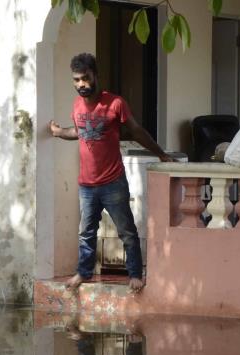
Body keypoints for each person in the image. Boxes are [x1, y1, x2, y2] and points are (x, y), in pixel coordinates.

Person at [49, 53, 173, 293]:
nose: (81, 84)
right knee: (86, 232)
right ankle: (83, 273)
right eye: (76, 80)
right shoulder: (76, 105)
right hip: (86, 185)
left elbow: (136, 131)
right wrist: (57, 132)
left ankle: (135, 274)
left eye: (85, 78)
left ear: (96, 75)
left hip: (113, 182)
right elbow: (79, 132)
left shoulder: (115, 103)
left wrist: (160, 152)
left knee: (126, 231)